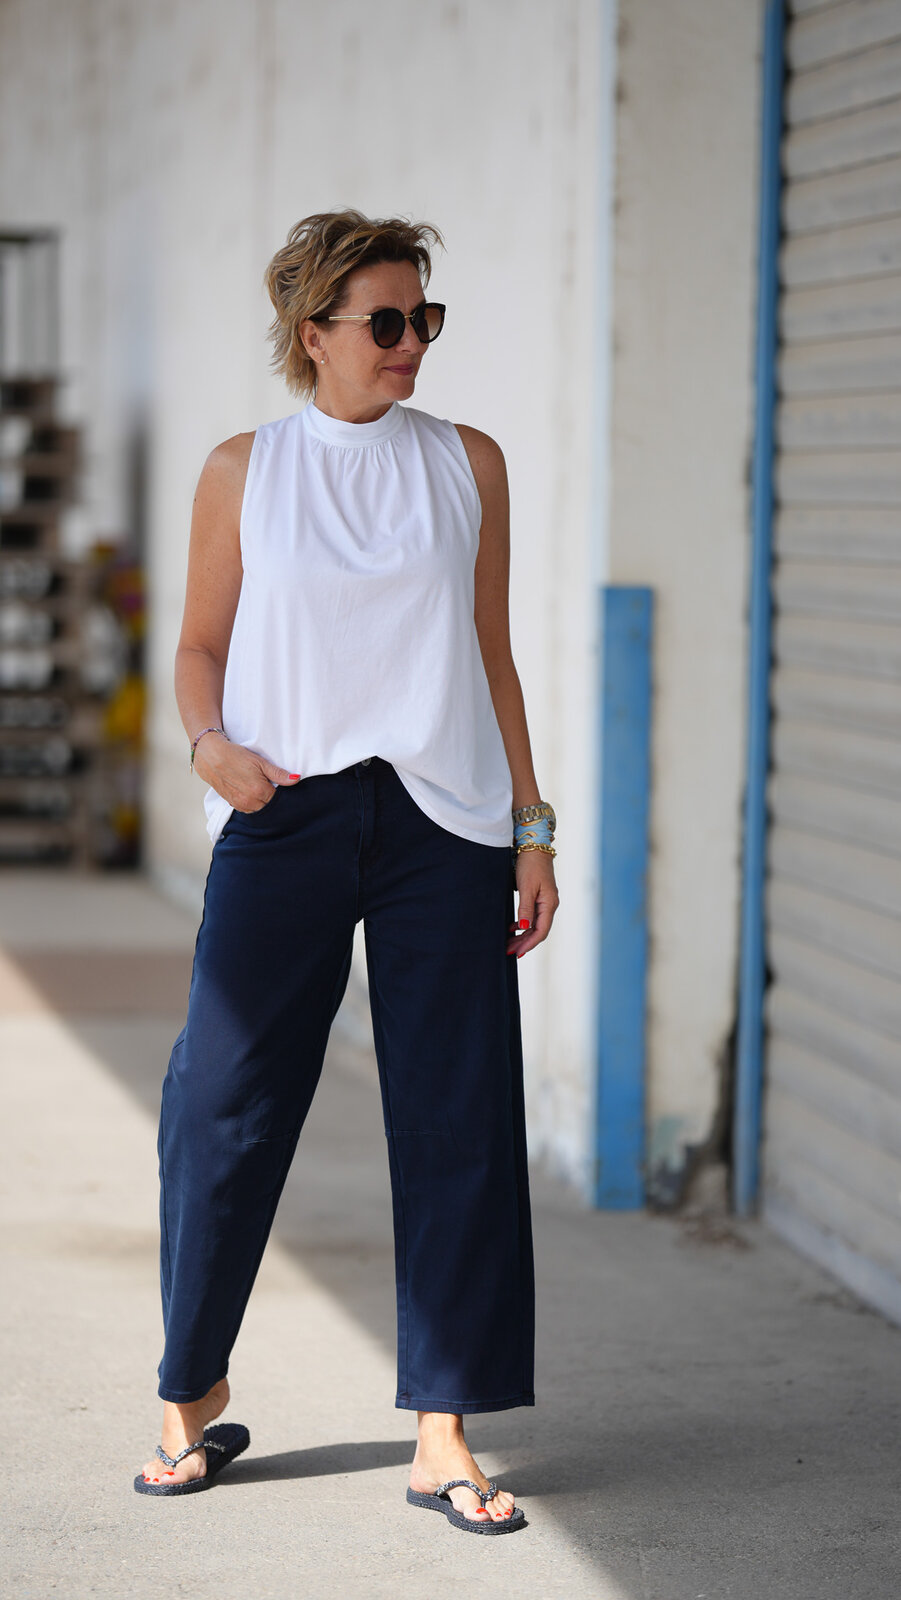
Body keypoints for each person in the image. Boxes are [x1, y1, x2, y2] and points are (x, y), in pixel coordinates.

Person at [134, 210, 559, 1533]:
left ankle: (445, 1431)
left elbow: (490, 650)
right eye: (384, 321)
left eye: (424, 318)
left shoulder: (468, 463)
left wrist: (532, 827)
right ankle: (190, 1392)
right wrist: (211, 750)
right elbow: (198, 645)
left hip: (445, 823)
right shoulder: (244, 470)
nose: (410, 342)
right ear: (310, 333)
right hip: (288, 811)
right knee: (221, 1100)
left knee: (458, 1118)